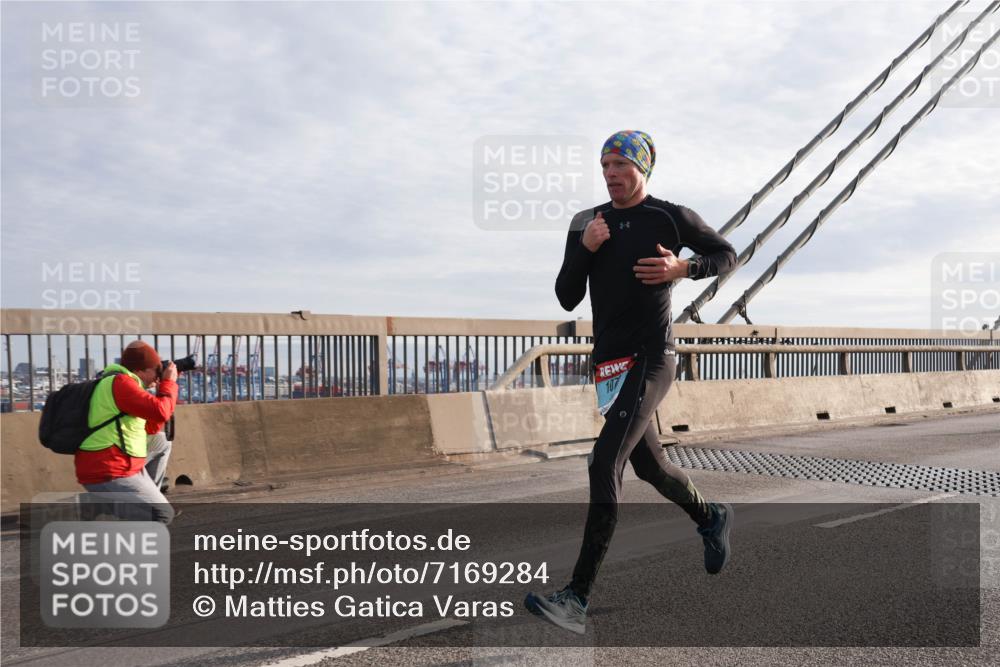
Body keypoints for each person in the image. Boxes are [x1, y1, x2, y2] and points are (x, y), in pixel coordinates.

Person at [525, 130, 738, 634]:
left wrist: (683, 268)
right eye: (605, 166)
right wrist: (586, 247)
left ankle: (575, 597)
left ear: (643, 169)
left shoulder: (669, 218)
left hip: (653, 358)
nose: (611, 173)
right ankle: (711, 517)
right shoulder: (588, 222)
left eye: (621, 164)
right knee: (651, 467)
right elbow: (565, 296)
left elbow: (728, 254)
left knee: (605, 460)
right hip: (610, 367)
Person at [76, 340, 178, 524]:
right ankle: (103, 507)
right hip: (107, 468)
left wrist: (162, 388)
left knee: (161, 441)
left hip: (121, 460)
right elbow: (161, 411)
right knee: (161, 515)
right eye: (155, 371)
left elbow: (150, 427)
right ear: (139, 370)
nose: (157, 377)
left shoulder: (128, 385)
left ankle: (141, 502)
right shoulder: (120, 383)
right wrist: (169, 382)